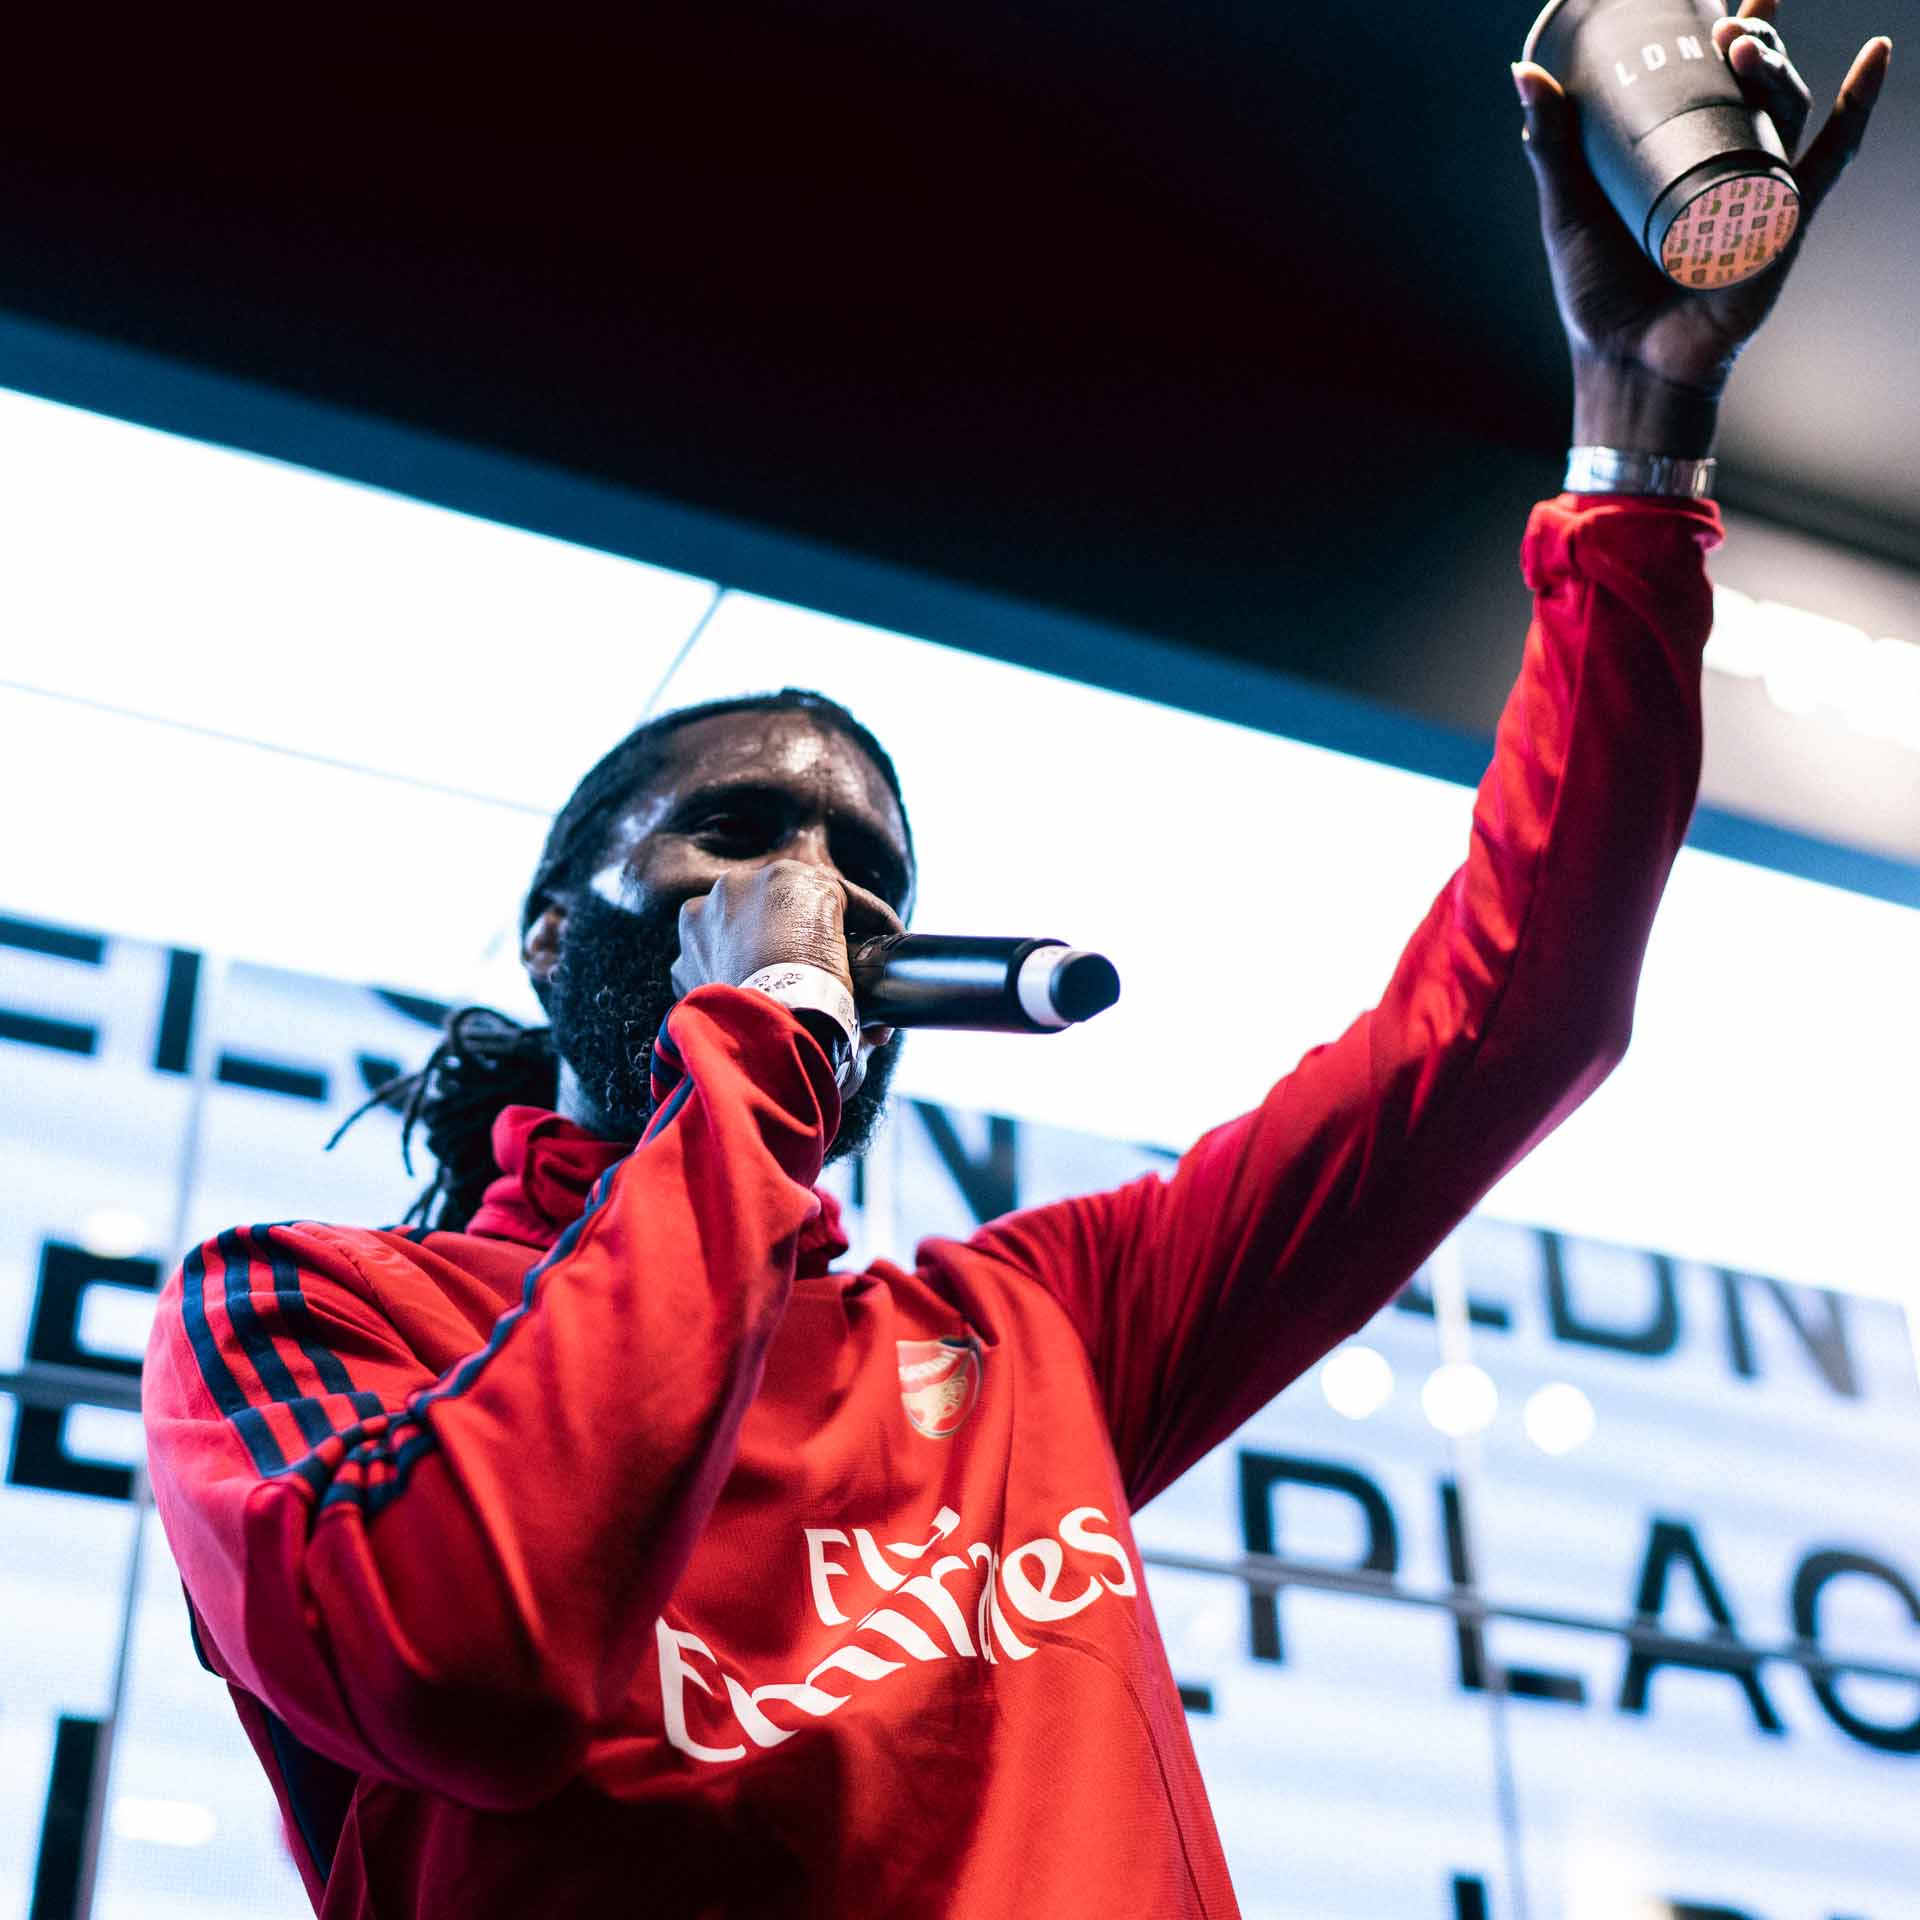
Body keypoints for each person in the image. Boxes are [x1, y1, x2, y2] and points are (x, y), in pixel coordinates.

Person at [141, 11, 1890, 1916]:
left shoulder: (1030, 1333)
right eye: (736, 834)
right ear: (558, 927)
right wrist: (751, 1050)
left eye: (864, 872)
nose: (816, 892)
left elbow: (1508, 1020)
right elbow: (467, 1665)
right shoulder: (308, 1321)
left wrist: (1640, 435)